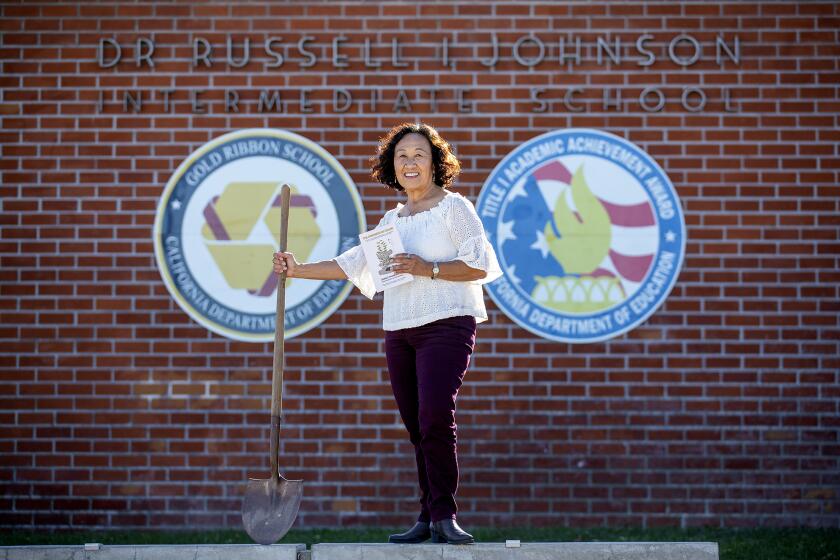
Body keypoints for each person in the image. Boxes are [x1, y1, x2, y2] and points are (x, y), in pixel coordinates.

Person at [273, 122, 501, 545]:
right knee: (417, 424)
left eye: (419, 154)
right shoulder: (391, 220)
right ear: (391, 167)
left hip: (448, 323)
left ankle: (446, 514)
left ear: (435, 163)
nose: (410, 162)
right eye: (401, 156)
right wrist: (298, 268)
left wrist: (425, 268)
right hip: (399, 329)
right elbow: (354, 263)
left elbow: (481, 266)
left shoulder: (455, 208)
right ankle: (428, 515)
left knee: (435, 414)